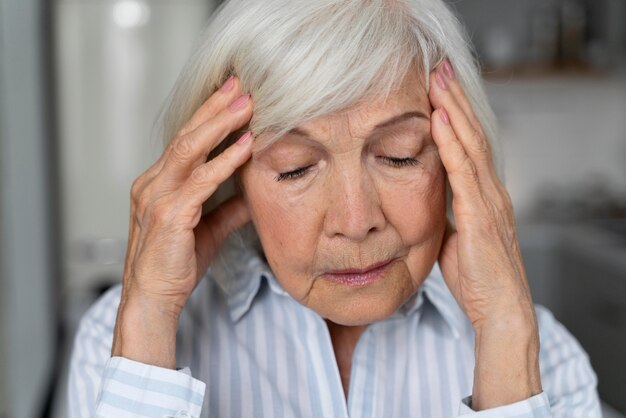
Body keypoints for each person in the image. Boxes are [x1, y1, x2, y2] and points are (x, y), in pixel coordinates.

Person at [68, 0, 602, 416]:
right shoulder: (120, 343)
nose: (355, 220)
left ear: (457, 157)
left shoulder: (544, 354)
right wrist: (149, 320)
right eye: (296, 167)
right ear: (230, 177)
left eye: (400, 156)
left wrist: (507, 338)